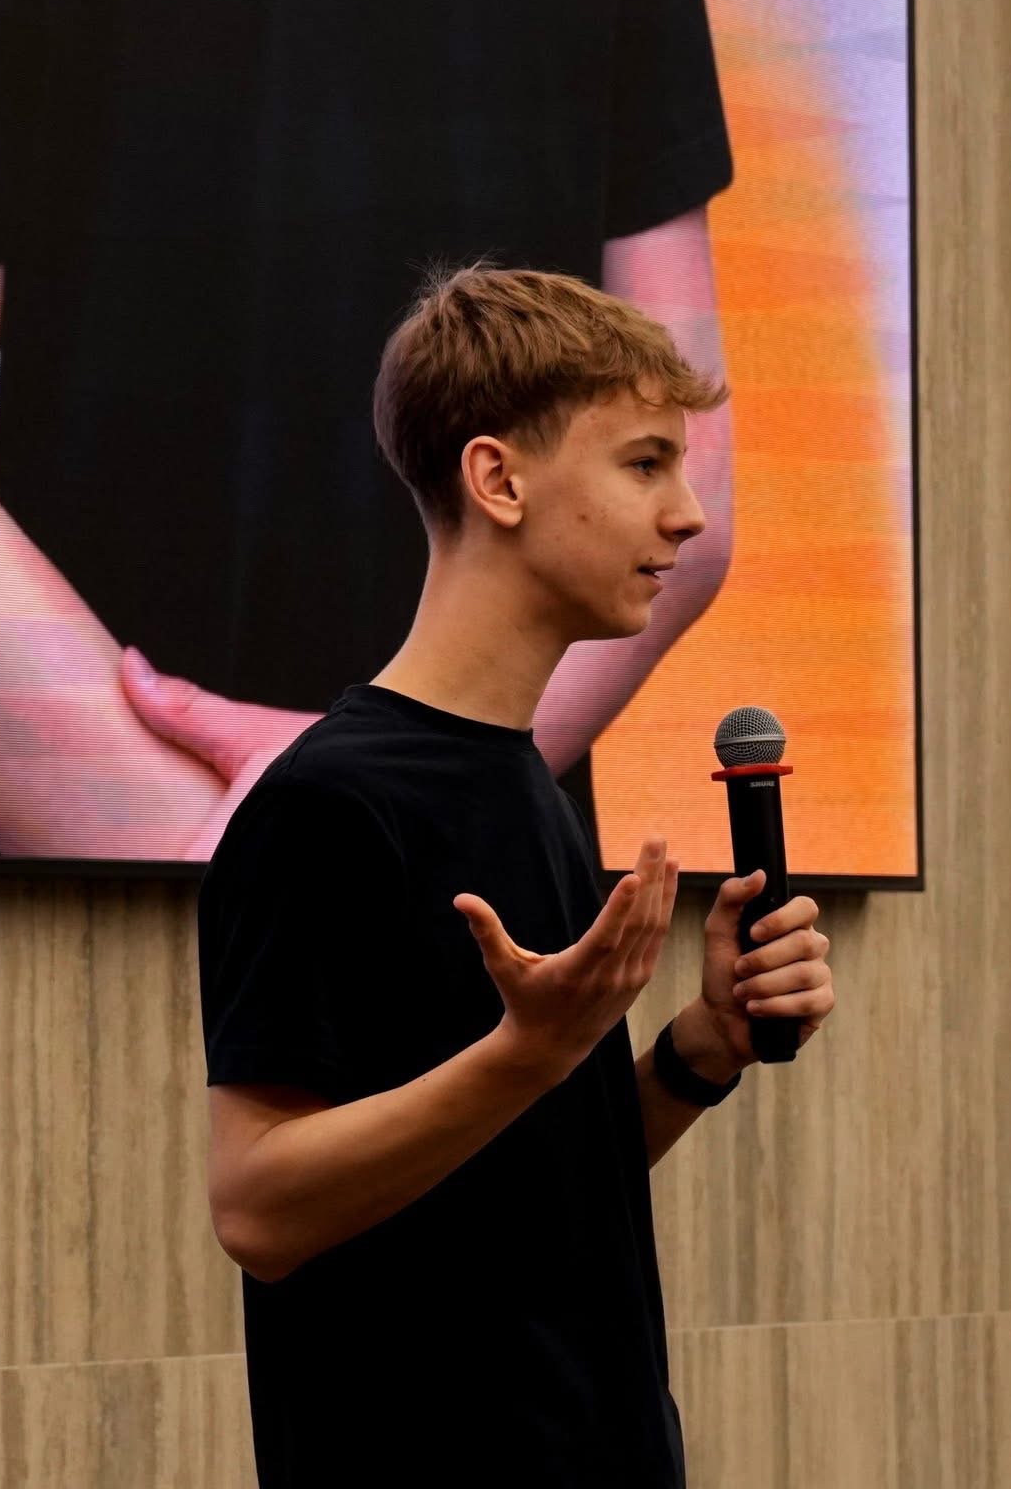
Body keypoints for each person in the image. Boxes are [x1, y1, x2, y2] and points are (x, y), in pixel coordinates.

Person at [0, 0, 737, 861]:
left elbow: (673, 464)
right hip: (424, 875)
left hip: (316, 887)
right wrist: (367, 821)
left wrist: (301, 848)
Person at [198, 265, 836, 1486]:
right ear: (497, 480)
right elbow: (258, 1210)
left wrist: (696, 1051)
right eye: (644, 464)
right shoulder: (329, 805)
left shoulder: (522, 784)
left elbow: (528, 1176)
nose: (687, 516)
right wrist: (528, 1052)